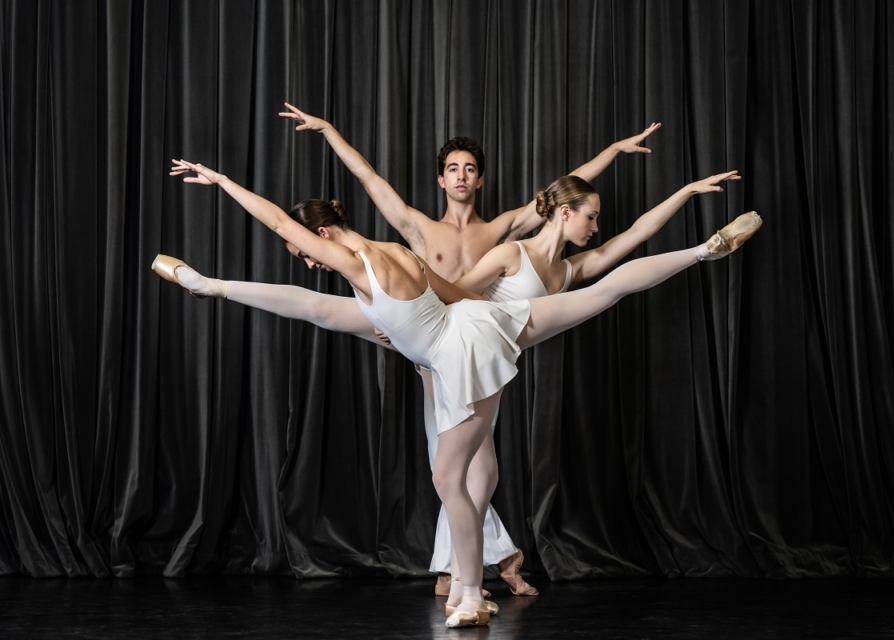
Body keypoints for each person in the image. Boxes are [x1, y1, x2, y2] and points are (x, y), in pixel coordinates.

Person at [157, 159, 762, 628]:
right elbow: (345, 304)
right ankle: (702, 250)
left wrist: (221, 181)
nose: (299, 255)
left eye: (302, 247)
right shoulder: (393, 255)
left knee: (450, 480)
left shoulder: (352, 260)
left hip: (460, 349)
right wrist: (484, 327)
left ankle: (471, 594)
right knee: (597, 296)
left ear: (321, 233)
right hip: (473, 332)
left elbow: (280, 225)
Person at [278, 103, 663, 599]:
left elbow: (560, 191)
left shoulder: (499, 229)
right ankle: (478, 565)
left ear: (480, 179)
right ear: (441, 180)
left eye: (470, 169)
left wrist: (611, 152)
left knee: (470, 468)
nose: (461, 176)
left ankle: (469, 569)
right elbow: (371, 179)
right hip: (427, 350)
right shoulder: (419, 228)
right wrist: (330, 130)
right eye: (453, 169)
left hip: (477, 348)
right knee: (450, 464)